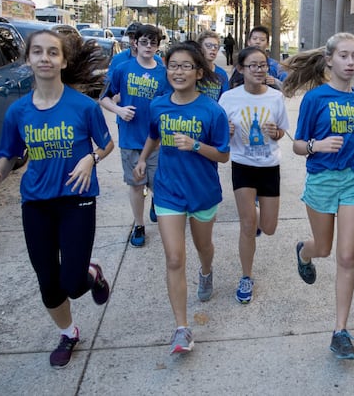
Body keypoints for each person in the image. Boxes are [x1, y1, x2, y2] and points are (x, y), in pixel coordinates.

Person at [0, 30, 114, 368]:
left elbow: (106, 144)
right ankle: (69, 333)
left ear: (63, 61)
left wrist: (91, 158)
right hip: (36, 202)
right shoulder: (18, 111)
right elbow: (9, 153)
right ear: (28, 60)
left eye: (52, 52)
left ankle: (91, 272)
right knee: (48, 282)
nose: (44, 58)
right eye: (37, 52)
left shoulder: (83, 106)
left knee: (72, 281)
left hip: (77, 199)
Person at [282, 33, 354, 360]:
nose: (351, 63)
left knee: (346, 257)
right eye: (345, 56)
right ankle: (303, 253)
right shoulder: (315, 99)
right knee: (322, 248)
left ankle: (340, 331)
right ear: (330, 60)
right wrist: (316, 146)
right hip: (321, 180)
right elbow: (297, 144)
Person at [134, 41, 230, 354]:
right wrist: (141, 159)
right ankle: (181, 329)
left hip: (202, 193)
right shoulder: (159, 104)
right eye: (173, 65)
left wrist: (197, 145)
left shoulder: (212, 110)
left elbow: (224, 155)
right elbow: (153, 134)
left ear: (198, 72)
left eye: (186, 66)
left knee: (203, 247)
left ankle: (206, 272)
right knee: (174, 258)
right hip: (168, 191)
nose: (178, 71)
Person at [219, 46, 290, 304]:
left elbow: (282, 131)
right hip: (243, 164)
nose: (260, 70)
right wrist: (224, 132)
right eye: (254, 65)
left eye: (263, 65)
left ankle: (257, 216)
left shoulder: (275, 97)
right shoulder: (228, 98)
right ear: (240, 69)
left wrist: (276, 133)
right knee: (248, 225)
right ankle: (246, 276)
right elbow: (219, 135)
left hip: (269, 165)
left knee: (268, 228)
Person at [100, 24, 171, 247]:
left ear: (158, 46)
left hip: (157, 140)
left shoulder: (163, 73)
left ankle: (154, 203)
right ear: (135, 43)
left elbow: (169, 103)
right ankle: (139, 225)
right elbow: (104, 98)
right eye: (144, 42)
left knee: (158, 182)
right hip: (130, 138)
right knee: (136, 184)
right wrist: (119, 110)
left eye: (153, 42)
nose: (148, 46)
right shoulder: (123, 69)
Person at [196, 30, 229, 101]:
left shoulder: (221, 73)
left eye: (216, 46)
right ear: (200, 48)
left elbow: (225, 99)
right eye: (208, 46)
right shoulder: (193, 71)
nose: (213, 49)